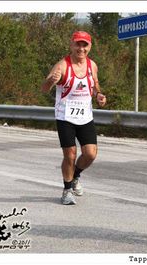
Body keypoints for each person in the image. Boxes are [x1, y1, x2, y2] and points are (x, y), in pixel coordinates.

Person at [41, 31, 106, 205]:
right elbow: (44, 88)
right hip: (65, 117)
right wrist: (51, 81)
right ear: (71, 45)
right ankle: (67, 190)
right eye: (78, 44)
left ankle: (75, 176)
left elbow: (95, 83)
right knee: (70, 154)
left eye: (85, 45)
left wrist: (98, 94)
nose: (81, 48)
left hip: (85, 116)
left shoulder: (92, 65)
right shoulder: (62, 66)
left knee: (90, 154)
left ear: (89, 47)